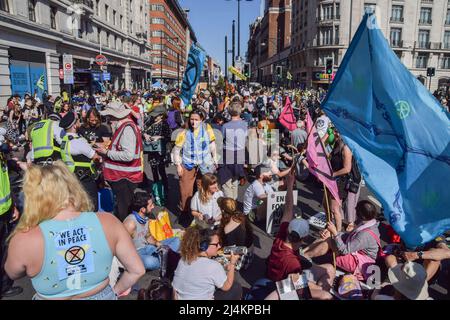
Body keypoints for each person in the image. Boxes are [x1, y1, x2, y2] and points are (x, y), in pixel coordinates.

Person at [5, 161, 145, 300]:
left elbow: (12, 272)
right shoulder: (109, 222)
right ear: (73, 187)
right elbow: (137, 270)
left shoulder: (24, 239)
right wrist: (114, 292)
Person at [303, 200, 381, 281]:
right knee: (329, 235)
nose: (355, 210)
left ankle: (305, 256)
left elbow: (344, 250)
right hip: (356, 252)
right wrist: (333, 233)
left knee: (331, 241)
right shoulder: (368, 223)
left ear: (362, 216)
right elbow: (349, 237)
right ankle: (305, 253)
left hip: (360, 264)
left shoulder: (365, 235)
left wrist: (335, 233)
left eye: (356, 210)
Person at [94, 102, 144, 222]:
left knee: (124, 211)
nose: (109, 121)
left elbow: (128, 155)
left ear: (116, 117)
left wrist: (106, 153)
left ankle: (127, 236)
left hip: (124, 177)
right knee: (122, 208)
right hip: (122, 176)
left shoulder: (127, 128)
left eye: (110, 117)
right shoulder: (124, 126)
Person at [172, 226, 241, 300]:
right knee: (236, 287)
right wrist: (232, 263)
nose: (219, 246)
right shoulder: (213, 266)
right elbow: (226, 286)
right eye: (216, 244)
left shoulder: (184, 258)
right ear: (204, 246)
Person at [172, 109, 218, 217]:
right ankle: (185, 212)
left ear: (201, 119)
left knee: (204, 188)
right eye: (191, 119)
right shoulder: (184, 132)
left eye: (196, 119)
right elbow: (176, 150)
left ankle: (202, 212)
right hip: (188, 164)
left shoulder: (207, 128)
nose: (193, 122)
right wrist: (178, 165)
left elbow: (212, 144)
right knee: (186, 191)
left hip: (204, 163)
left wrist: (214, 158)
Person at [123, 191, 180, 272]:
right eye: (151, 205)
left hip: (148, 247)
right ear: (142, 209)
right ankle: (166, 258)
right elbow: (122, 246)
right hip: (137, 253)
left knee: (176, 240)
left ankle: (164, 258)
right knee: (150, 262)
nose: (153, 207)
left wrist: (157, 244)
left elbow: (148, 236)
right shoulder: (130, 224)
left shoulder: (145, 217)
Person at [59, 111, 101, 211]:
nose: (80, 122)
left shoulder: (64, 140)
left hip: (71, 179)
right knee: (91, 209)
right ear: (74, 126)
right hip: (85, 180)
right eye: (78, 120)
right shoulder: (78, 141)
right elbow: (96, 157)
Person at [0, 132, 22, 298]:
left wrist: (13, 205)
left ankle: (3, 286)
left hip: (4, 211)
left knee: (3, 250)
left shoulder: (2, 155)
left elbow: (5, 182)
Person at [218, 102, 247, 200]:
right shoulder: (244, 124)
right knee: (235, 179)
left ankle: (230, 205)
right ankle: (233, 203)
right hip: (240, 153)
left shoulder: (225, 126)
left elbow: (221, 140)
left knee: (226, 182)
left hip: (228, 153)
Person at [217, 197, 254, 270]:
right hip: (250, 252)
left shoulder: (228, 228)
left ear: (223, 210)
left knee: (216, 255)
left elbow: (233, 251)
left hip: (242, 258)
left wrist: (219, 252)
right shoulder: (240, 215)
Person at [144, 105, 171, 194]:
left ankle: (165, 189)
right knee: (154, 170)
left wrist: (159, 137)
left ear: (161, 115)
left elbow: (168, 137)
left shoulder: (164, 124)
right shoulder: (151, 123)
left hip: (160, 151)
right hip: (152, 151)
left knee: (161, 171)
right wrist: (145, 135)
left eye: (156, 115)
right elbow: (144, 132)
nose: (154, 117)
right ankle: (157, 190)